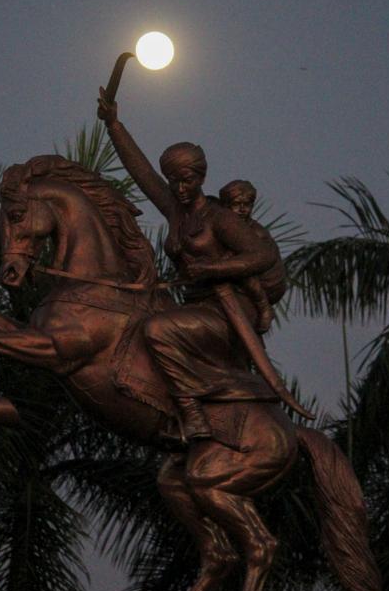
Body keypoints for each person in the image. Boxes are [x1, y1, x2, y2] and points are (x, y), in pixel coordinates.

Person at [97, 88, 282, 443]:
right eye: (174, 181)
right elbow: (142, 172)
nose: (180, 188)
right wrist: (114, 125)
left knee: (156, 331)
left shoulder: (220, 217)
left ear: (201, 178)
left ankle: (192, 413)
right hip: (197, 308)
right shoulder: (174, 209)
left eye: (187, 180)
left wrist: (213, 271)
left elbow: (262, 257)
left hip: (229, 310)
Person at [218, 179, 286, 333]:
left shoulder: (254, 232)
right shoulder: (233, 228)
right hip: (253, 282)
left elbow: (246, 261)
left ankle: (264, 309)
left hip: (268, 285)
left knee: (238, 266)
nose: (242, 209)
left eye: (247, 205)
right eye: (236, 204)